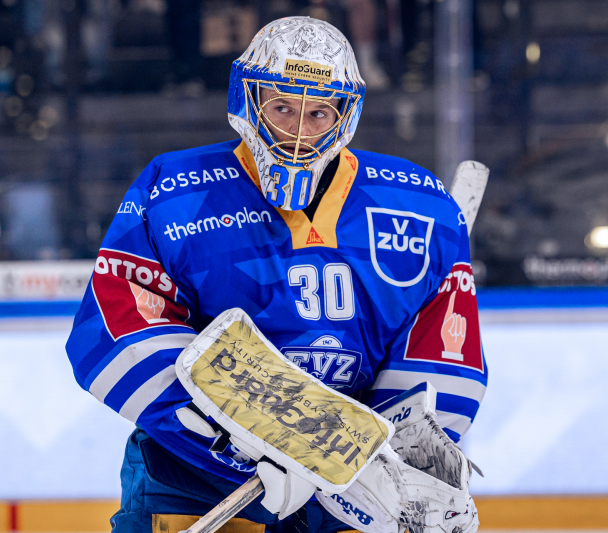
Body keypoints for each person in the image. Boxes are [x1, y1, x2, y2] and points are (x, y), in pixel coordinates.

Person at [66, 16, 487, 533]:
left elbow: (443, 357)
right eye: (282, 106)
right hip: (197, 472)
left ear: (344, 115)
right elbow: (115, 336)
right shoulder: (175, 190)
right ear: (250, 101)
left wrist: (398, 472)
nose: (297, 133)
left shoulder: (421, 205)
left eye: (318, 113)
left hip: (353, 488)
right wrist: (240, 446)